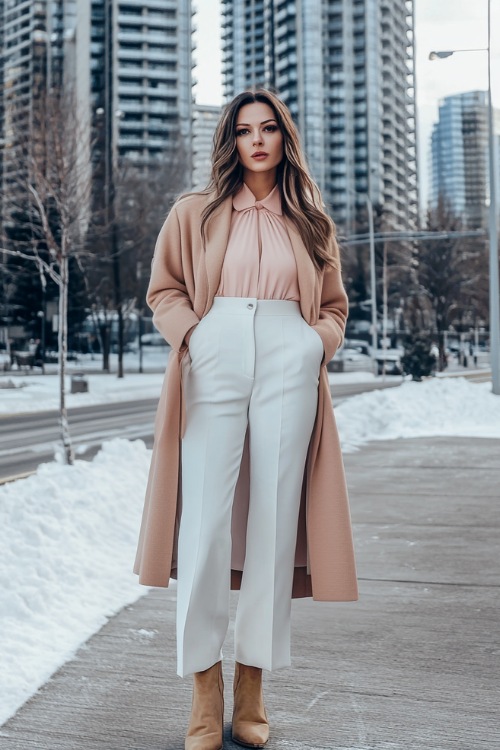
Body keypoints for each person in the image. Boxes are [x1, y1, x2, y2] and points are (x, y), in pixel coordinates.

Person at [134, 89, 358, 750]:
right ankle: (204, 691)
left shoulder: (311, 218)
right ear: (230, 141)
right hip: (216, 352)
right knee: (202, 521)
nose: (256, 141)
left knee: (272, 521)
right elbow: (163, 289)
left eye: (268, 129)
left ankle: (252, 690)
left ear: (284, 138)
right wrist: (195, 337)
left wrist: (315, 342)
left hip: (291, 356)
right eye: (243, 131)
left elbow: (337, 307)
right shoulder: (194, 213)